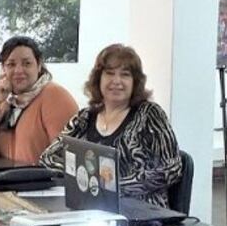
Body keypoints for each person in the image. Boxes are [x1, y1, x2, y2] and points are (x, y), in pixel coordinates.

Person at [39, 44, 182, 208]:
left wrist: (113, 186)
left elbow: (172, 169)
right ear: (98, 79)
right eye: (109, 73)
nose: (117, 81)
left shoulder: (150, 115)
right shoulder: (84, 117)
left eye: (125, 75)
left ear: (135, 82)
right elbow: (48, 158)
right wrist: (82, 177)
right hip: (90, 207)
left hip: (141, 211)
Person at [0, 36, 77, 163]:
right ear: (3, 69)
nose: (19, 70)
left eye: (27, 63)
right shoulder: (7, 99)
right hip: (5, 179)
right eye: (11, 64)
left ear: (39, 65)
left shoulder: (55, 96)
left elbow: (67, 158)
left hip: (39, 181)